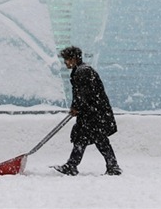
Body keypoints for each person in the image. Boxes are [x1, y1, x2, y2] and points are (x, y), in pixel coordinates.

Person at [52, 46, 122, 176]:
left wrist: (77, 107)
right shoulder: (80, 70)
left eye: (67, 60)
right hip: (91, 112)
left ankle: (112, 166)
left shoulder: (83, 71)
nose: (65, 63)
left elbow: (83, 93)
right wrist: (77, 107)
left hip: (94, 113)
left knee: (97, 139)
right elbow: (81, 94)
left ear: (73, 59)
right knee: (83, 138)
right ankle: (73, 165)